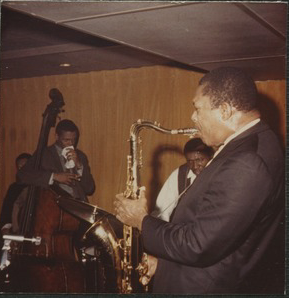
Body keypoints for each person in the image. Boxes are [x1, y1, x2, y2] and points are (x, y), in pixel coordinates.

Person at [114, 67, 284, 294]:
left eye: (197, 108)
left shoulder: (247, 162)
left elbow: (198, 246)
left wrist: (141, 221)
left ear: (224, 110)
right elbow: (213, 232)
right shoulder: (251, 145)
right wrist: (165, 263)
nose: (193, 117)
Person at [17, 119, 95, 202]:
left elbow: (89, 189)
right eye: (66, 140)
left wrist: (79, 166)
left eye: (74, 139)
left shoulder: (80, 156)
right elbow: (21, 175)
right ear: (57, 136)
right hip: (53, 205)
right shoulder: (44, 153)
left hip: (78, 205)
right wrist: (54, 176)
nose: (71, 143)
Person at [152, 138, 213, 221]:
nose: (194, 166)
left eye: (199, 160)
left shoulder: (222, 172)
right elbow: (161, 211)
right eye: (190, 161)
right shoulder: (179, 174)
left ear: (210, 156)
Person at [0, 153, 32, 234]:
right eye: (19, 167)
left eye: (24, 167)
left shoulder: (40, 186)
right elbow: (6, 210)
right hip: (16, 228)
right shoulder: (14, 187)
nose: (21, 170)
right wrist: (5, 227)